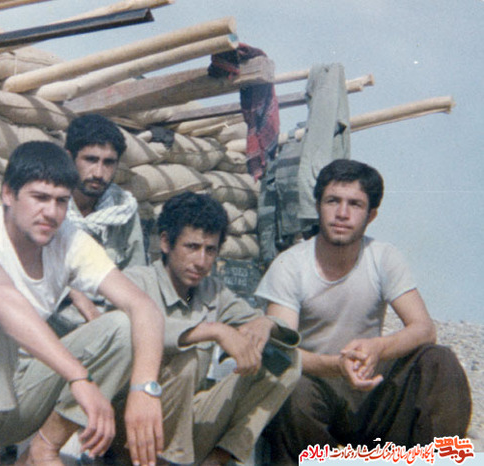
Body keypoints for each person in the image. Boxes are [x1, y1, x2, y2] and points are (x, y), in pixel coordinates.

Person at [0, 141, 165, 466]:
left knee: (121, 326)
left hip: (18, 393)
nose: (51, 212)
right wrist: (79, 377)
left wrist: (144, 389)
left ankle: (42, 450)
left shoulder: (69, 240)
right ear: (9, 194)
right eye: (40, 198)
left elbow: (143, 306)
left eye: (61, 201)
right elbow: (0, 300)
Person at [255, 159, 472, 465]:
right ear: (317, 206)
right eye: (333, 201)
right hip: (317, 396)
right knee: (291, 388)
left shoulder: (383, 257)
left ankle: (440, 462)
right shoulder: (291, 266)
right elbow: (282, 352)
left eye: (354, 204)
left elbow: (424, 328)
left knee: (439, 361)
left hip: (373, 394)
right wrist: (336, 366)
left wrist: (379, 347)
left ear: (371, 215)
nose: (342, 213)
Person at [113, 191, 301, 466]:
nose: (201, 261)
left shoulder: (213, 291)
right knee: (185, 361)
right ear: (165, 242)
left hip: (184, 423)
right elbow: (127, 330)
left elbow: (267, 327)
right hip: (130, 426)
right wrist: (215, 330)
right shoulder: (136, 282)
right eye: (192, 247)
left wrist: (266, 323)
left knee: (286, 362)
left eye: (210, 250)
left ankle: (217, 458)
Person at [57, 113, 147, 327]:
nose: (98, 173)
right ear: (69, 158)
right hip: (53, 315)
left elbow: (135, 276)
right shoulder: (50, 203)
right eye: (90, 160)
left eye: (108, 163)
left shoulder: (122, 211)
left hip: (106, 320)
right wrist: (74, 295)